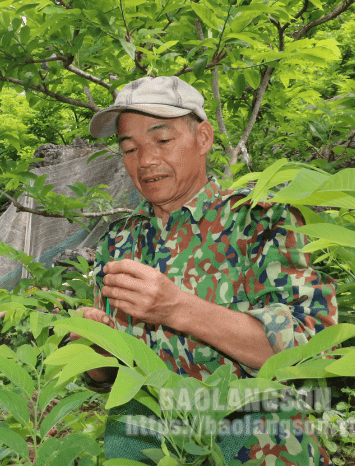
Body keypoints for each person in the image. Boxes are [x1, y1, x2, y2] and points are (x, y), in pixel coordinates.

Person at [75, 76, 338, 465]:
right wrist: (96, 352)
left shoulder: (261, 223)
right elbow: (113, 378)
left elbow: (311, 351)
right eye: (130, 149)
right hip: (153, 449)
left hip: (260, 450)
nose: (145, 161)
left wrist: (177, 308)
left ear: (203, 138)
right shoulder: (118, 243)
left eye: (162, 141)